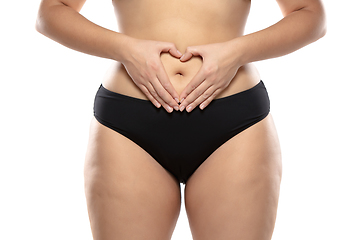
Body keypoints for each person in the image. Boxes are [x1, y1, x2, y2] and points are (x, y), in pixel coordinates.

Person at [36, 0, 326, 239]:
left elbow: (311, 15)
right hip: (129, 125)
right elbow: (51, 12)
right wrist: (125, 49)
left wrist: (237, 53)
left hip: (233, 125)